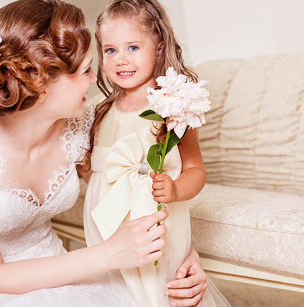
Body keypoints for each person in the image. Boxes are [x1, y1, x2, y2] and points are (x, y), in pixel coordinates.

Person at [0, 0, 209, 306]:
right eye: (86, 70)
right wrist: (111, 253)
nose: (94, 80)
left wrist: (179, 253)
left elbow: (133, 186)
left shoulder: (83, 122)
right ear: (42, 81)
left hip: (59, 274)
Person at [80, 0, 229, 306]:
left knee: (158, 289)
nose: (121, 59)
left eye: (133, 47)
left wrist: (174, 189)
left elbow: (196, 171)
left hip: (156, 227)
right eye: (110, 50)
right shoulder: (98, 109)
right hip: (108, 230)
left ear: (159, 47)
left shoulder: (173, 107)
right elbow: (96, 171)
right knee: (115, 293)